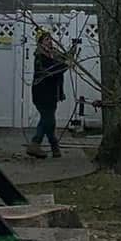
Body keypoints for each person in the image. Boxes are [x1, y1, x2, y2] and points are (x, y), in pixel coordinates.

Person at [25, 26, 70, 158]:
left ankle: (54, 148)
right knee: (48, 120)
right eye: (46, 39)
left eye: (50, 39)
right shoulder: (40, 57)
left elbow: (61, 59)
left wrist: (70, 55)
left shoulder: (53, 53)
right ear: (40, 42)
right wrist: (66, 64)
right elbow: (53, 69)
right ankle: (36, 144)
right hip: (42, 94)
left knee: (48, 120)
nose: (49, 41)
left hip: (52, 94)